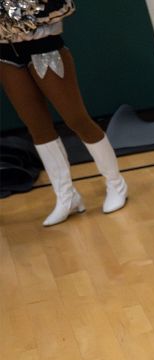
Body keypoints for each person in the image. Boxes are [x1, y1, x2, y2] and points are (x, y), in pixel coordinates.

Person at [0, 0, 127, 226]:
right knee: (37, 127)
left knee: (76, 118)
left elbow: (63, 5)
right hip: (5, 54)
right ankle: (66, 197)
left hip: (44, 47)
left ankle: (116, 184)